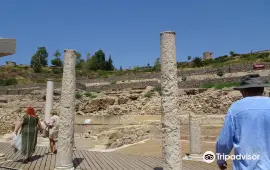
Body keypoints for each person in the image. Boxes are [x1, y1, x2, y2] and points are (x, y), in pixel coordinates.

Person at [216, 74, 270, 170]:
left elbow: (224, 142)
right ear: (262, 89)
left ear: (243, 91)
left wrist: (221, 159)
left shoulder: (236, 108)